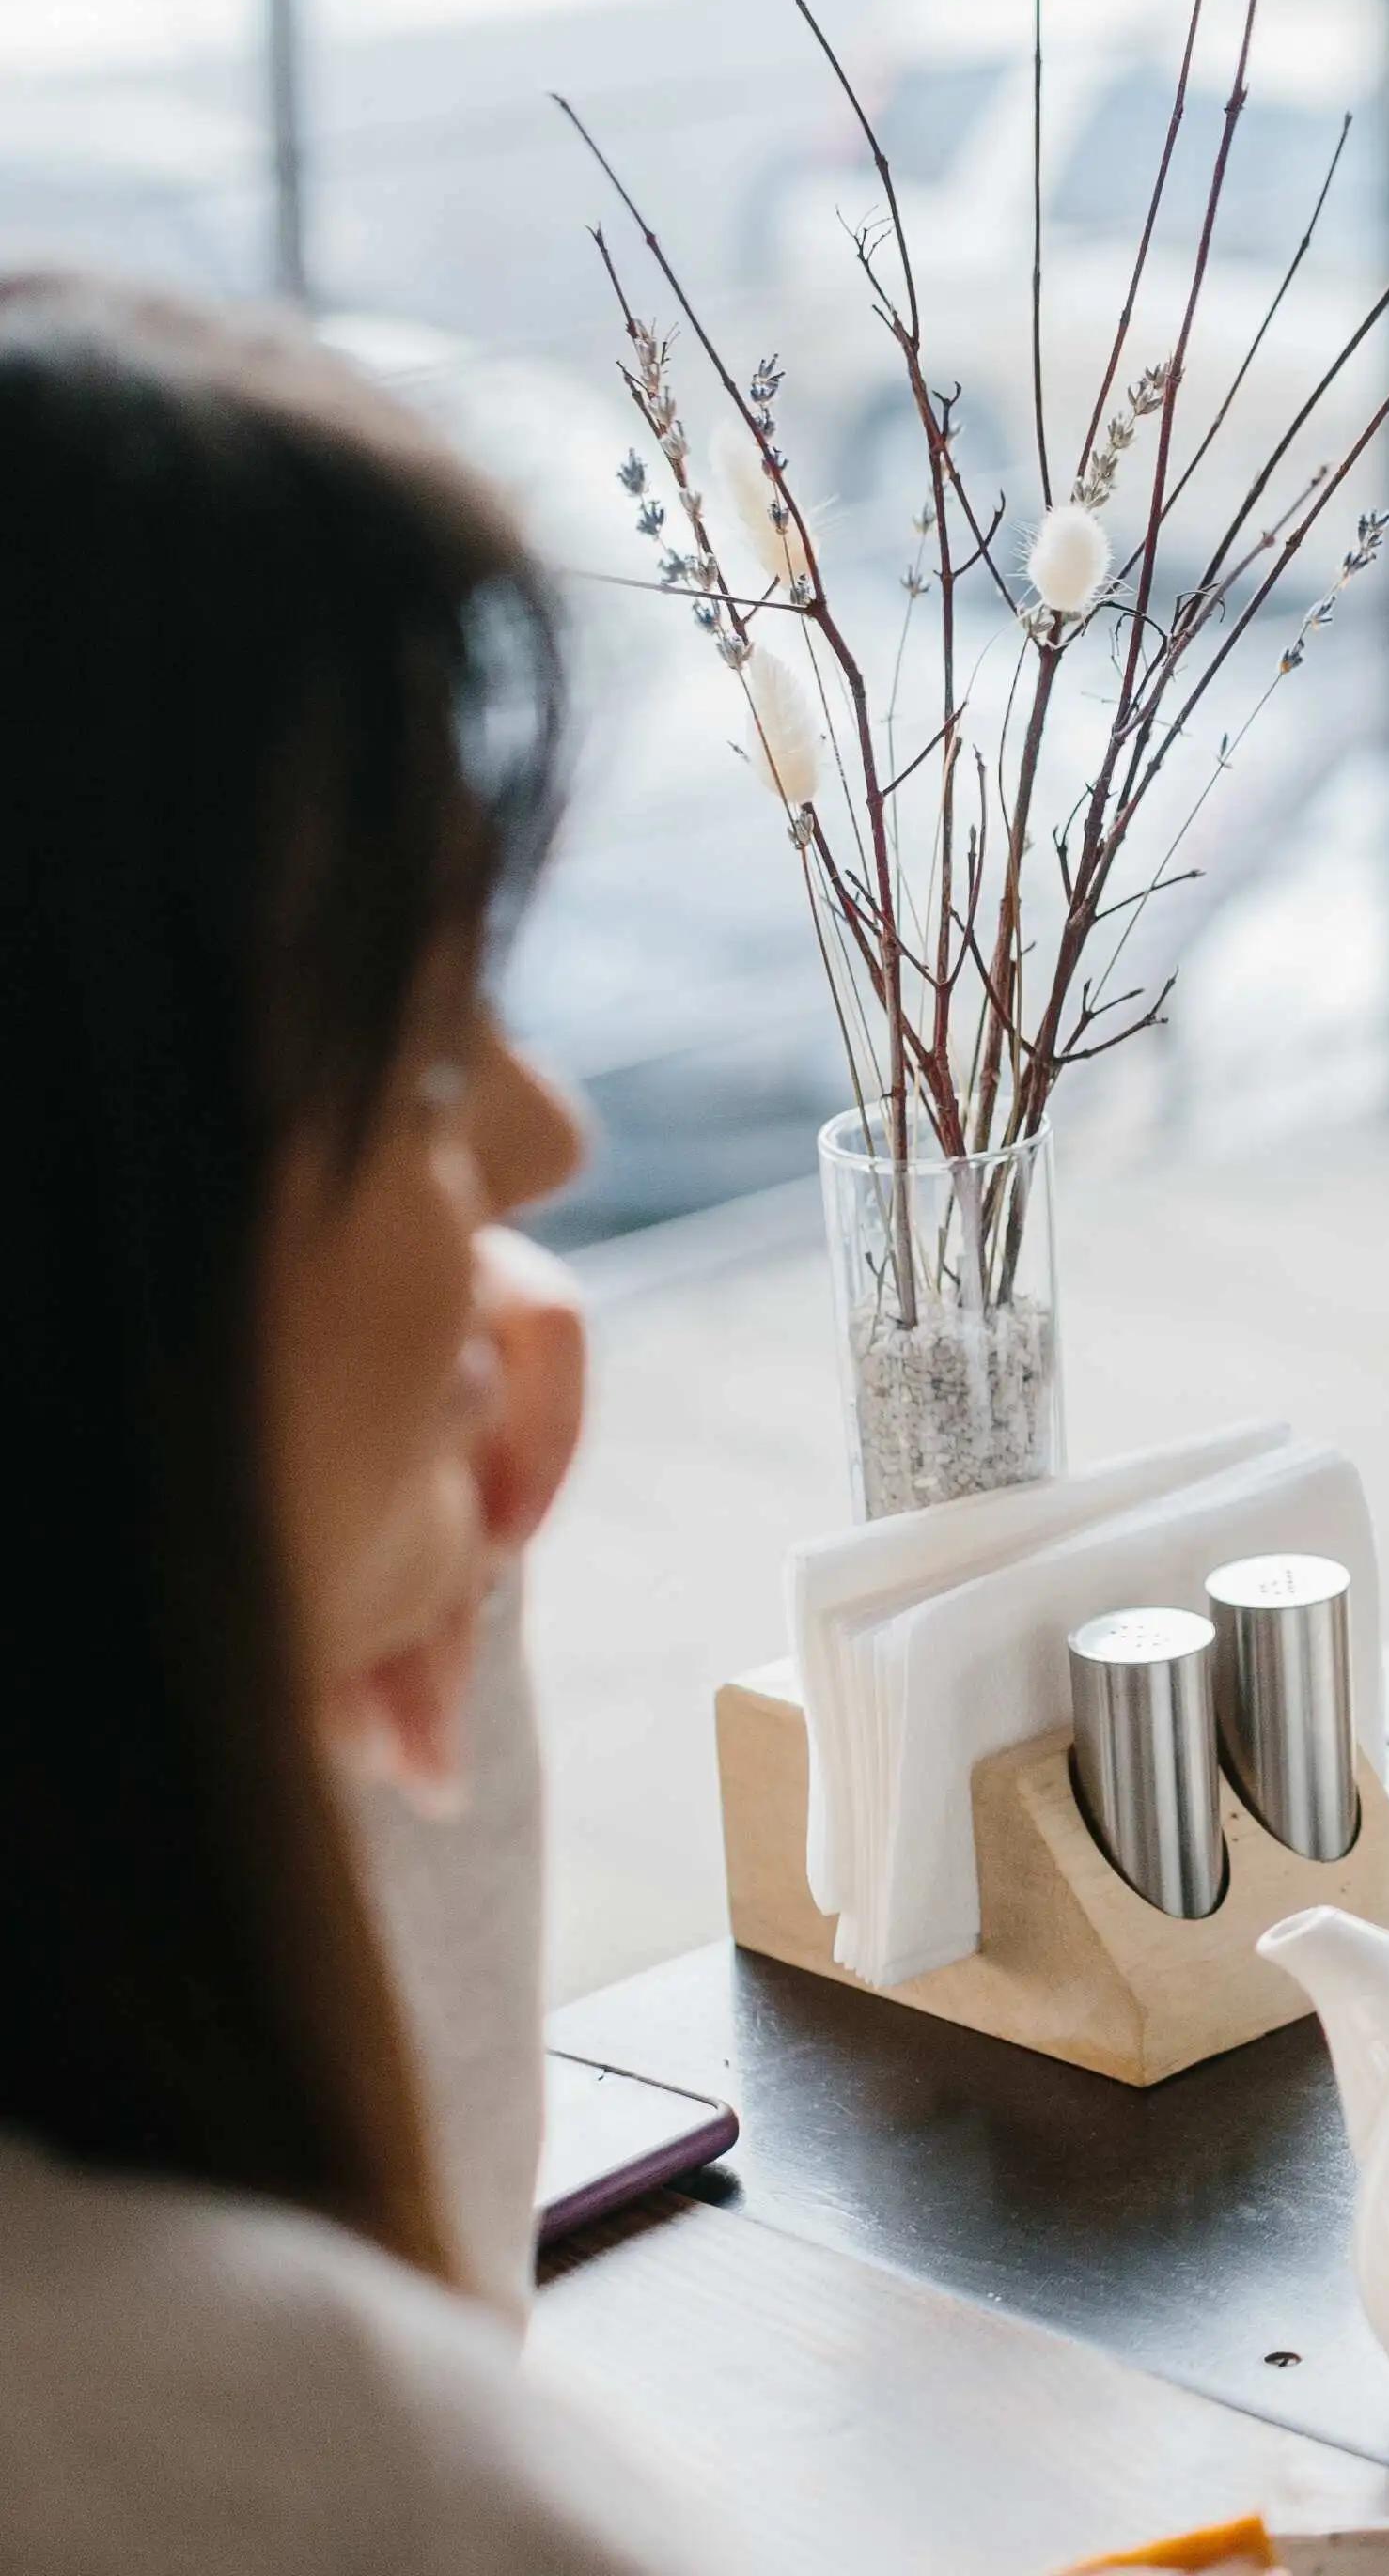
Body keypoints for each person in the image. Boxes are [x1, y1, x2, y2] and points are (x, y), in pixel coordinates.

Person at [0, 275, 707, 2569]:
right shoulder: (271, 2444)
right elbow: (408, 2384)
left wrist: (351, 1591)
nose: (540, 1148)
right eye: (414, 1062)